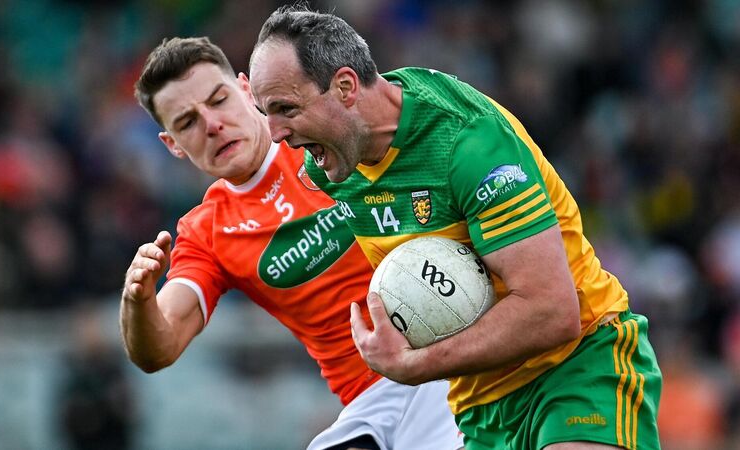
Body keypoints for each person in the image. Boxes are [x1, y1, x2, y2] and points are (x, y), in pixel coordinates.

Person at [249, 6, 662, 450]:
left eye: (285, 109)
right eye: (265, 112)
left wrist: (414, 365)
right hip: (479, 402)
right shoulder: (333, 161)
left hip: (578, 363)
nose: (275, 133)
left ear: (346, 86)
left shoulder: (468, 143)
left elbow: (552, 311)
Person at [121, 36, 464, 450]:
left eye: (219, 100)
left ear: (246, 90)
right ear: (173, 144)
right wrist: (138, 301)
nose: (212, 124)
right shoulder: (206, 233)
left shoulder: (329, 134)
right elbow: (159, 348)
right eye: (187, 122)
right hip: (370, 399)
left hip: (446, 351)